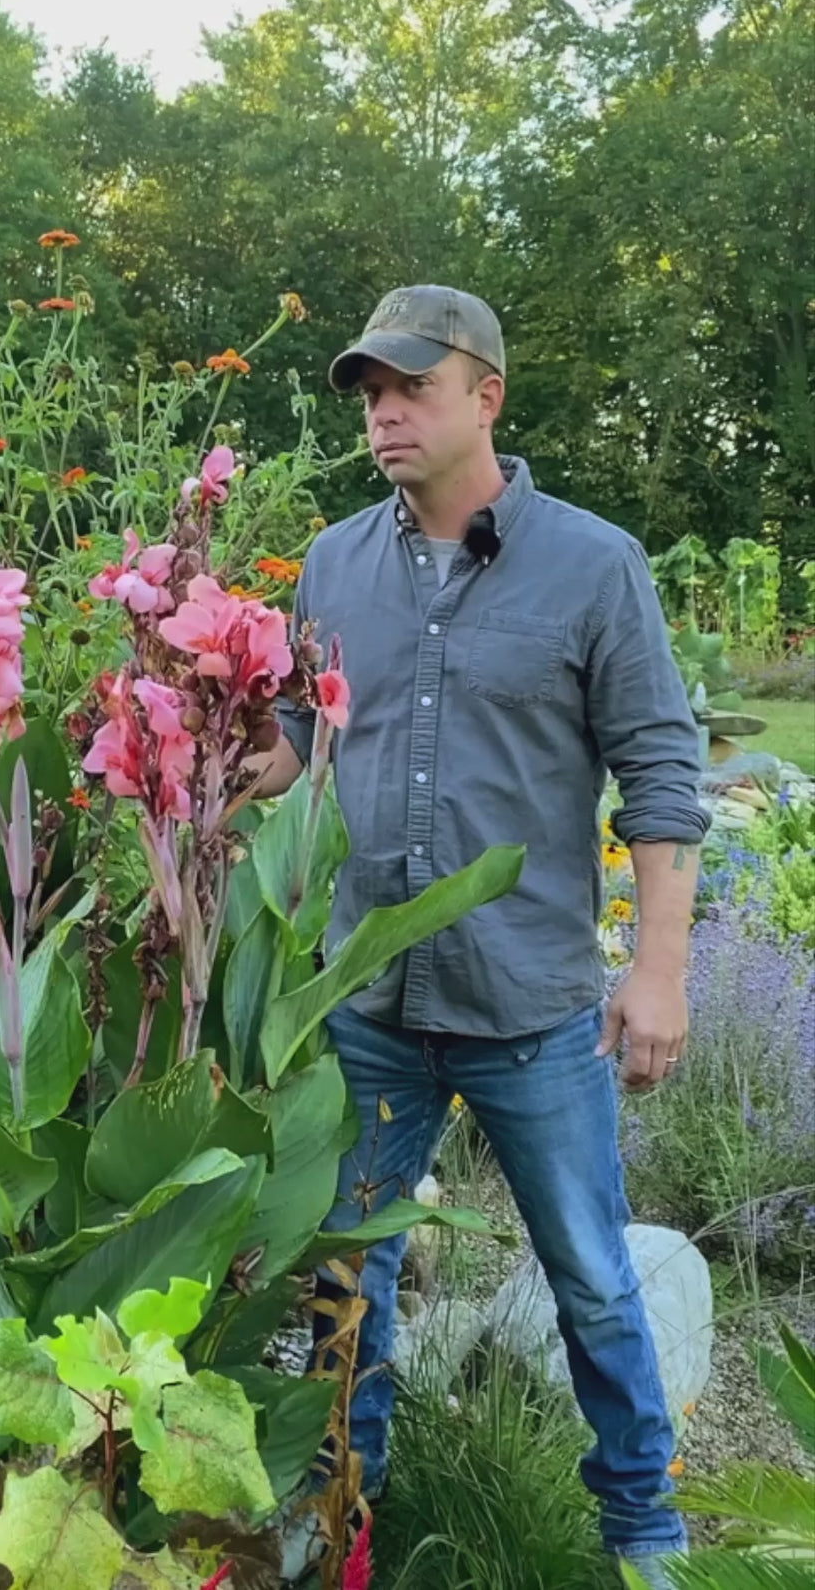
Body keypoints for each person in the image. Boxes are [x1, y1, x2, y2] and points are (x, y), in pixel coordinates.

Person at [253, 286, 710, 1587]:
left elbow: (662, 772)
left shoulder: (593, 562)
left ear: (487, 396)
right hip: (372, 1002)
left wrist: (660, 970)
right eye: (369, 392)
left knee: (592, 1281)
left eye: (411, 385)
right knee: (346, 1285)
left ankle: (645, 1541)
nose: (385, 411)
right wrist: (216, 756)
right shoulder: (335, 562)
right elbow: (298, 735)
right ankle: (341, 1530)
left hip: (532, 1010)